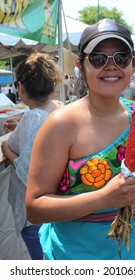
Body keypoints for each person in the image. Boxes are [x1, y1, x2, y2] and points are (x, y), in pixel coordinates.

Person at [26, 19, 135, 260]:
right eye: (98, 59)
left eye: (121, 57)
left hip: (131, 252)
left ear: (131, 66)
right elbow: (34, 208)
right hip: (73, 258)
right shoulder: (61, 124)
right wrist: (103, 198)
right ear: (81, 67)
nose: (111, 66)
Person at [1, 52, 63, 260]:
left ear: (21, 87)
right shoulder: (60, 109)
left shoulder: (32, 117)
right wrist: (21, 127)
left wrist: (5, 149)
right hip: (60, 205)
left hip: (37, 216)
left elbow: (26, 169)